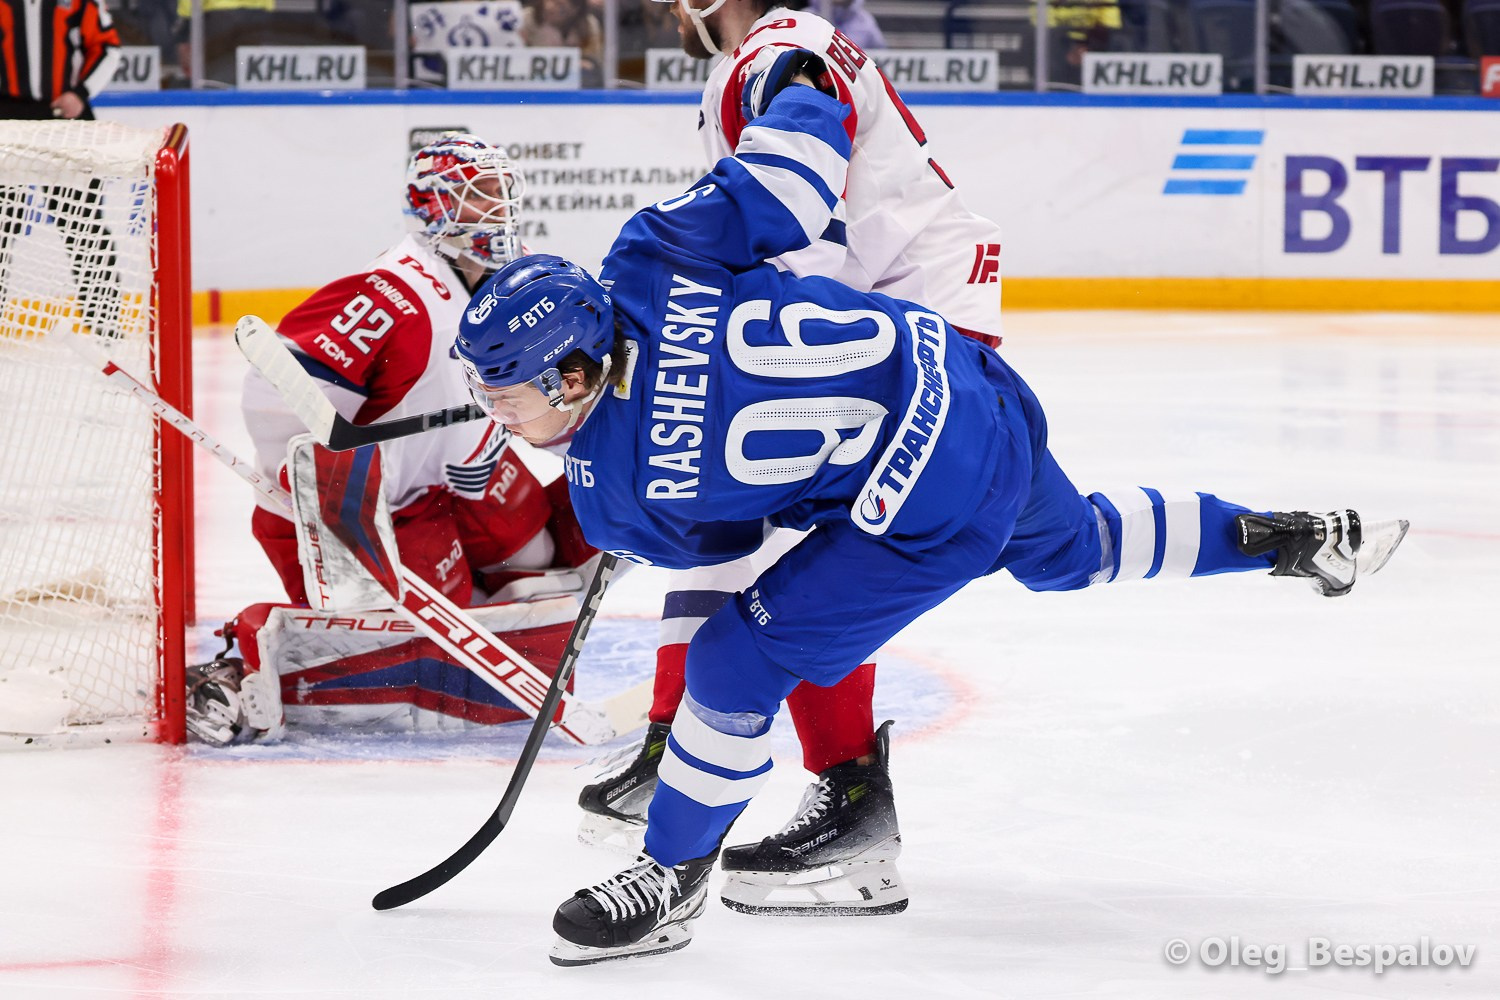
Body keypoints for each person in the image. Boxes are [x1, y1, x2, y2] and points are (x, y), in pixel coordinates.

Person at [452, 64, 1409, 965]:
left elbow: (730, 544)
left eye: (506, 391)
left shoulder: (613, 497)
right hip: (968, 377)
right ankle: (1289, 539)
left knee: (734, 658)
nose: (497, 411)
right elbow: (788, 179)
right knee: (1069, 548)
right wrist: (799, 90)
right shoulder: (649, 254)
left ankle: (672, 875)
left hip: (930, 504)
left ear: (572, 373)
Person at [573, 0, 1006, 917]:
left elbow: (800, 215)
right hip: (901, 324)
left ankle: (831, 791)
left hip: (913, 344)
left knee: (777, 535)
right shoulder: (771, 49)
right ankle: (687, 748)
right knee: (735, 513)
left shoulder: (774, 54)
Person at [183, 133, 596, 746]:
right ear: (435, 206)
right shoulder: (394, 297)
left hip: (451, 480)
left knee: (544, 556)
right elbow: (276, 391)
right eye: (479, 195)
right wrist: (325, 481)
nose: (500, 211)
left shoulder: (518, 275)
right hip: (360, 516)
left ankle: (496, 589)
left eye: (502, 194)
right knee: (425, 651)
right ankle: (239, 663)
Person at [0, 0, 124, 339]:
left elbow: (107, 47)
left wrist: (81, 93)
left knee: (84, 224)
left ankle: (106, 328)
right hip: (5, 121)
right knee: (0, 224)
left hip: (64, 117)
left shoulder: (78, 2)